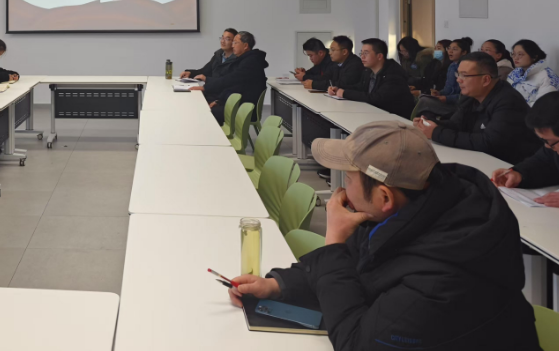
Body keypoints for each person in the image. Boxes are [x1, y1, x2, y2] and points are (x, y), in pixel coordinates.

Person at [226, 121, 540, 351]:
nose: (340, 189)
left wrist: (333, 242)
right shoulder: (412, 208)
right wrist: (278, 285)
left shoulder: (442, 277)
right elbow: (347, 267)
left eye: (348, 179)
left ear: (384, 197)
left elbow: (356, 344)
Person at [414, 52, 540, 164]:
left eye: (464, 75)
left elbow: (488, 143)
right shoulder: (471, 95)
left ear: (486, 80)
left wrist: (436, 133)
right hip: (481, 159)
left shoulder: (508, 101)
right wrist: (429, 125)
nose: (458, 80)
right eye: (458, 74)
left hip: (510, 166)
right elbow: (456, 124)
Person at [493, 92, 559, 206]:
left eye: (550, 142)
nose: (547, 146)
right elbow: (544, 162)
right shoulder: (552, 145)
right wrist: (519, 175)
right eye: (543, 141)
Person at [191, 31, 268, 125]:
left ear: (245, 46)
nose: (232, 46)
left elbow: (230, 80)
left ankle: (213, 134)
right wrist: (219, 101)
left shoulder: (251, 62)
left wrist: (205, 87)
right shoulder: (244, 59)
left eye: (235, 43)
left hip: (244, 108)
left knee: (206, 112)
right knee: (204, 106)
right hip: (236, 102)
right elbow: (233, 86)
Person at [330, 38, 415, 119]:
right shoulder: (368, 71)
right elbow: (361, 87)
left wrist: (345, 93)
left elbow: (377, 98)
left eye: (366, 53)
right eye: (361, 53)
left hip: (395, 118)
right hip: (374, 114)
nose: (362, 57)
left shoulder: (393, 74)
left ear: (379, 56)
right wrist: (339, 89)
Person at [509, 39, 559, 106]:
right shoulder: (514, 73)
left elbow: (544, 106)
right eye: (513, 54)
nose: (515, 58)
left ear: (534, 56)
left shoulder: (547, 77)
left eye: (520, 54)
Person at [429, 37, 473, 105]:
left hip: (462, 104)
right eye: (449, 48)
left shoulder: (469, 68)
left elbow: (467, 95)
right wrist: (439, 93)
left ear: (464, 52)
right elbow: (448, 88)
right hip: (449, 101)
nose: (450, 51)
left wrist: (446, 98)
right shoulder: (452, 66)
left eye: (454, 49)